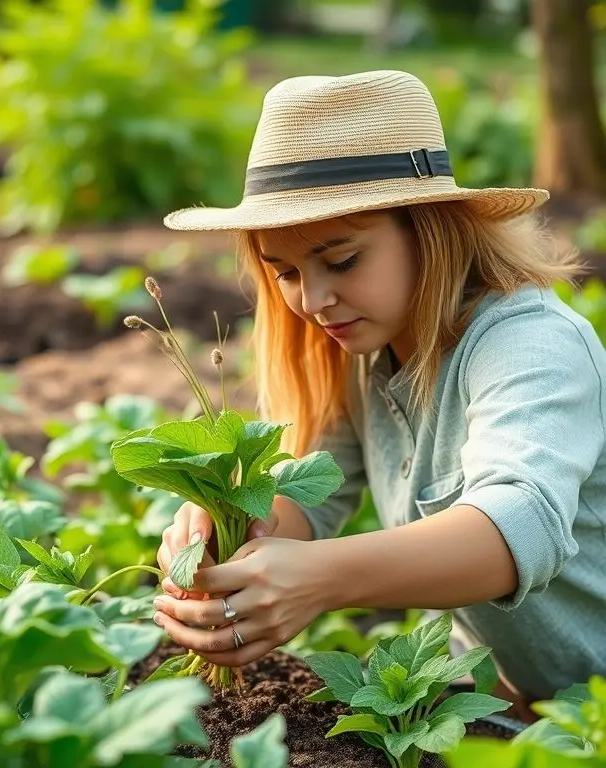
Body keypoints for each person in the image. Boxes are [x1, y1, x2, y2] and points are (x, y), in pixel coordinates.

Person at [150, 70, 606, 715]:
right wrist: (228, 526)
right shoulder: (362, 350)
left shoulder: (532, 344)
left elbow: (517, 527)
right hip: (511, 696)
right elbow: (308, 501)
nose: (311, 300)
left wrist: (317, 580)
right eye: (285, 272)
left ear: (429, 230)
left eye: (341, 261)